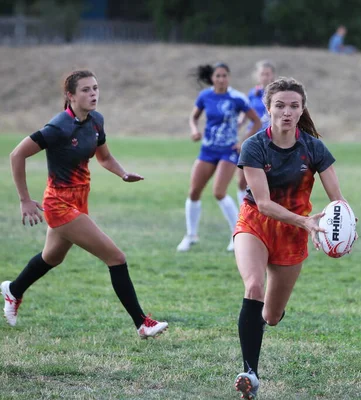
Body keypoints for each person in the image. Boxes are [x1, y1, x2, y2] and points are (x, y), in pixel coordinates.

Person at [2, 70, 168, 339]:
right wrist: (24, 199)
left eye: (96, 88)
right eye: (86, 90)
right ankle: (142, 323)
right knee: (116, 258)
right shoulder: (58, 127)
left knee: (52, 257)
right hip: (59, 204)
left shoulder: (96, 121)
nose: (93, 94)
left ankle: (14, 290)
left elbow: (104, 158)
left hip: (80, 200)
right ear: (70, 96)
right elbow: (16, 154)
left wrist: (123, 173)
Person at [232, 77, 353, 399]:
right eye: (280, 105)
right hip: (256, 223)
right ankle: (250, 374)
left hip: (295, 234)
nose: (287, 112)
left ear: (302, 110)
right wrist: (307, 221)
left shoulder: (313, 148)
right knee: (253, 287)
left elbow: (337, 201)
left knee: (270, 317)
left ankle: (271, 315)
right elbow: (263, 203)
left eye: (294, 106)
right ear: (268, 108)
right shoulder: (254, 146)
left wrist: (341, 226)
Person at [176, 62, 261, 252]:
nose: (221, 79)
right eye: (218, 76)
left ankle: (236, 234)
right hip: (208, 150)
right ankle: (190, 235)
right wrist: (194, 130)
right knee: (194, 192)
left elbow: (256, 121)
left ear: (228, 77)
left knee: (219, 192)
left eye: (224, 76)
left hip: (228, 150)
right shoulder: (205, 96)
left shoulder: (236, 97)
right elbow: (194, 117)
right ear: (212, 78)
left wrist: (243, 142)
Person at [236, 60, 276, 206]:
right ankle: (243, 212)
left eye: (267, 74)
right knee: (242, 179)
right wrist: (238, 123)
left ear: (272, 76)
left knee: (268, 179)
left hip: (270, 140)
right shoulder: (253, 93)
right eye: (262, 74)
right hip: (251, 138)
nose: (265, 77)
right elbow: (246, 114)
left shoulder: (276, 94)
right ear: (257, 76)